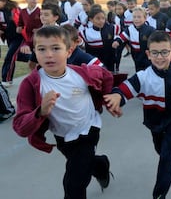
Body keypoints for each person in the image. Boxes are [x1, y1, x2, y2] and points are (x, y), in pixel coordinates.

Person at [13, 26, 119, 199]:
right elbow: (20, 127)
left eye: (55, 48)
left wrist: (108, 100)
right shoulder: (31, 84)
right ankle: (100, 164)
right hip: (63, 137)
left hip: (89, 129)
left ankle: (94, 165)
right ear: (35, 52)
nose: (48, 54)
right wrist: (40, 112)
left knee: (74, 182)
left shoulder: (82, 73)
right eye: (41, 49)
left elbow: (106, 76)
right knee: (83, 163)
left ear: (69, 51)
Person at [104, 30, 171, 199]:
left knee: (166, 157)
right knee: (161, 150)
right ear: (148, 54)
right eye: (155, 53)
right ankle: (168, 163)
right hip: (154, 121)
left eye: (164, 52)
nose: (160, 57)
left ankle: (159, 194)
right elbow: (124, 90)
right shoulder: (143, 77)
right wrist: (116, 97)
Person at [79, 5, 120, 72]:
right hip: (94, 64)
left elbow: (121, 35)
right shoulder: (85, 33)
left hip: (110, 62)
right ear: (91, 19)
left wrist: (117, 40)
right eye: (98, 18)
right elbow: (81, 45)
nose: (101, 21)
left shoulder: (113, 28)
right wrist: (81, 43)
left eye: (103, 18)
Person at [112, 7, 155, 72]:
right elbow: (122, 36)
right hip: (136, 55)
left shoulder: (150, 29)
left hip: (147, 56)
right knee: (138, 71)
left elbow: (156, 40)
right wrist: (117, 41)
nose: (136, 19)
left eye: (139, 17)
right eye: (134, 17)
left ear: (145, 18)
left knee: (149, 71)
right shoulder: (130, 29)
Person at [0, 0, 25, 87]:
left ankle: (6, 79)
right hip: (9, 37)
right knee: (17, 56)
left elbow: (21, 22)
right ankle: (35, 59)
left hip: (18, 37)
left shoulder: (14, 9)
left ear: (3, 1)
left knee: (9, 57)